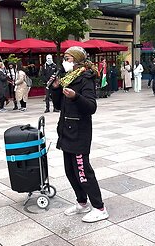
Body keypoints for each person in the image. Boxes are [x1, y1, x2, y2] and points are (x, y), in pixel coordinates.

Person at [49, 46, 108, 223]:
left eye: (68, 58)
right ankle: (82, 203)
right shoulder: (67, 78)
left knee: (83, 172)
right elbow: (59, 106)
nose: (65, 62)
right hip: (66, 131)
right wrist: (56, 89)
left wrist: (76, 96)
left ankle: (99, 207)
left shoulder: (85, 79)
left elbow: (91, 107)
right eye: (65, 59)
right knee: (70, 172)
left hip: (79, 133)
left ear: (76, 60)